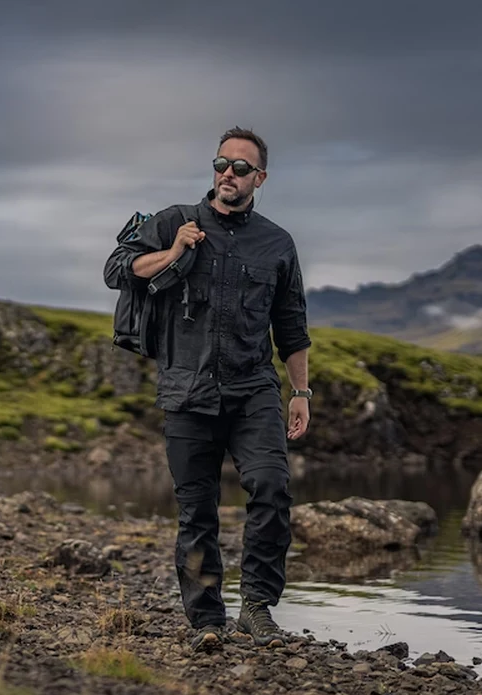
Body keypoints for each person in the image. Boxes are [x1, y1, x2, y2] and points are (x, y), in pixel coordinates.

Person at [103, 126, 312, 653]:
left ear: (259, 178)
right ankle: (206, 620)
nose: (228, 173)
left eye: (240, 167)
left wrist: (302, 393)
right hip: (186, 390)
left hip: (253, 390)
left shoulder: (277, 243)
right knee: (197, 510)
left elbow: (291, 326)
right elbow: (116, 270)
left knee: (271, 487)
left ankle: (258, 608)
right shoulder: (174, 221)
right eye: (221, 163)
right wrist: (174, 250)